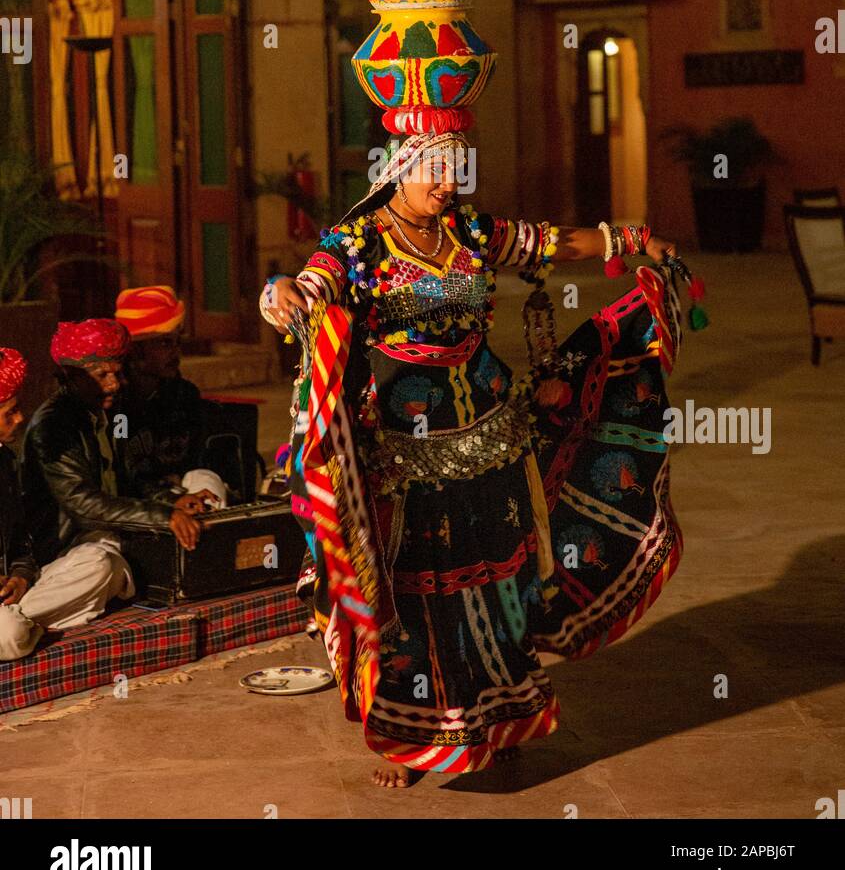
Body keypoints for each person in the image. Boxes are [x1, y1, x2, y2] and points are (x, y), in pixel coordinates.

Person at [261, 134, 692, 786]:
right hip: (409, 444)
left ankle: (500, 719)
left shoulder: (467, 231)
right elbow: (306, 285)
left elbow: (552, 244)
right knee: (420, 584)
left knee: (497, 577)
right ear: (399, 171)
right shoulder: (360, 243)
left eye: (453, 173)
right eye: (434, 173)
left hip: (492, 429)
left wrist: (632, 241)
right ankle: (417, 740)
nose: (445, 185)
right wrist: (282, 294)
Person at [18, 319, 209, 650]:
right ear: (72, 376)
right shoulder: (52, 426)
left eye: (118, 373)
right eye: (102, 375)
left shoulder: (113, 413)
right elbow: (84, 505)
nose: (115, 384)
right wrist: (163, 516)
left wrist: (173, 501)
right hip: (65, 549)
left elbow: (132, 479)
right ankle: (17, 620)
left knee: (204, 503)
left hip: (112, 533)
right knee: (101, 567)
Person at [114, 285, 227, 510]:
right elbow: (125, 475)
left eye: (178, 342)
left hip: (180, 487)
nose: (176, 352)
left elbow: (199, 460)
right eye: (165, 343)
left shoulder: (184, 394)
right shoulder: (116, 403)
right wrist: (168, 495)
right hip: (136, 502)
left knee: (207, 482)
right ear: (136, 350)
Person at [0, 347, 39, 659]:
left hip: (6, 594)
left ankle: (22, 617)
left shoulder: (5, 461)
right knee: (12, 635)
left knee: (102, 564)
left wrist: (22, 575)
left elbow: (20, 539)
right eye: (8, 413)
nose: (21, 418)